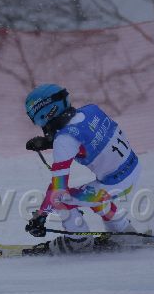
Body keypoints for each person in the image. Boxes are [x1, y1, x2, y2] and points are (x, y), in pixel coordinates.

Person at [23, 84, 140, 255]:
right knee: (93, 194)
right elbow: (86, 134)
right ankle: (124, 231)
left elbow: (58, 188)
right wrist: (49, 142)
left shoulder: (64, 141)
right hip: (132, 170)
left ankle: (79, 241)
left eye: (36, 119)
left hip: (116, 183)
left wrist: (41, 216)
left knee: (59, 199)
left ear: (46, 113)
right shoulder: (91, 110)